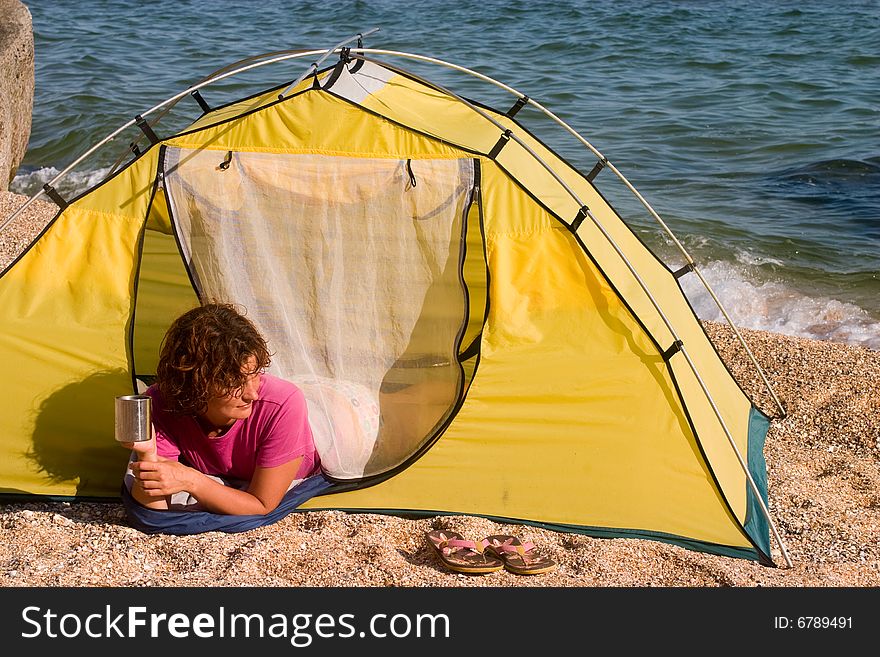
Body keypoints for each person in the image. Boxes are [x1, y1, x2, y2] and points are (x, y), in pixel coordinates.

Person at [120, 303, 321, 515]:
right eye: (234, 382)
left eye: (255, 374)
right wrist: (147, 455)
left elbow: (262, 505)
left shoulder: (282, 405)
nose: (251, 393)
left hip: (330, 426)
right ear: (196, 380)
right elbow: (155, 513)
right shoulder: (163, 402)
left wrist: (192, 480)